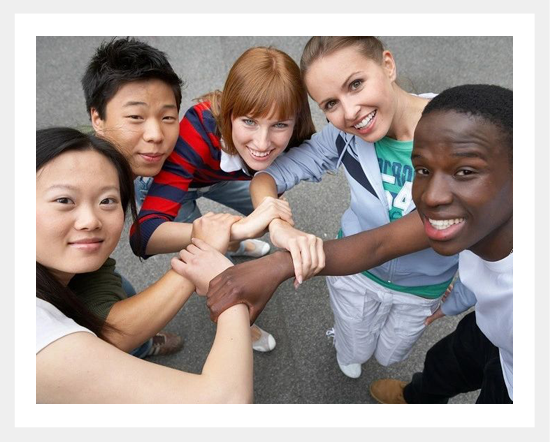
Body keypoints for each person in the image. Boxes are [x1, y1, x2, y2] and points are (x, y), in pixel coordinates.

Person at [247, 37, 458, 378]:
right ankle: (344, 344)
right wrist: (277, 225)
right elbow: (266, 178)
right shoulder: (342, 137)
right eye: (330, 104)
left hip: (423, 287)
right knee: (353, 347)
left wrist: (464, 287)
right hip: (355, 275)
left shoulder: (462, 133)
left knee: (391, 356)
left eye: (356, 84)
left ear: (387, 65)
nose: (349, 113)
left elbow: (494, 222)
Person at [81, 37, 286, 352]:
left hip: (202, 179)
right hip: (168, 191)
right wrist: (220, 236)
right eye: (136, 117)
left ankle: (145, 343)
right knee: (213, 251)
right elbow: (143, 238)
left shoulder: (155, 154)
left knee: (126, 290)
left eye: (167, 117)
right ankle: (242, 318)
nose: (156, 135)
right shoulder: (91, 176)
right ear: (98, 118)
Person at [36, 127, 253, 404]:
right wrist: (229, 288)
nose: (90, 221)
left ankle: (143, 345)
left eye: (107, 201)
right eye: (64, 200)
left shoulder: (71, 261)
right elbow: (226, 404)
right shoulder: (40, 335)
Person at [128, 45, 317, 350]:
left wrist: (276, 222)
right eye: (249, 121)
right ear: (229, 113)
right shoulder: (198, 128)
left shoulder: (296, 135)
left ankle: (237, 242)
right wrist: (235, 229)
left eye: (279, 124)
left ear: (296, 120)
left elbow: (273, 189)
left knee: (261, 213)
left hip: (218, 176)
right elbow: (143, 237)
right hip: (170, 185)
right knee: (217, 259)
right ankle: (243, 317)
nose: (262, 142)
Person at [369, 84, 513, 404]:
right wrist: (451, 304)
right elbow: (482, 274)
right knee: (443, 363)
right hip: (487, 332)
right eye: (422, 169)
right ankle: (412, 401)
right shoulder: (486, 221)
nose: (432, 196)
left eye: (464, 171)